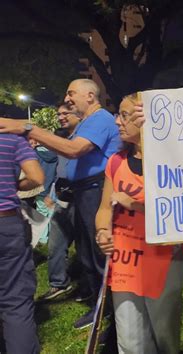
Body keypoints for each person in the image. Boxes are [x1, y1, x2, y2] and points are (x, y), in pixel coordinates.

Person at [0, 79, 120, 328]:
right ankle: (98, 299)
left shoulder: (100, 118)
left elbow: (73, 150)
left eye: (71, 93)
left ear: (90, 96)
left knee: (97, 250)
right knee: (86, 250)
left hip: (96, 191)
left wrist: (28, 128)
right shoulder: (87, 121)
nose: (67, 98)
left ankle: (108, 307)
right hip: (82, 192)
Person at [96, 93, 183, 353]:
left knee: (165, 335)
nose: (117, 121)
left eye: (124, 115)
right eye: (118, 114)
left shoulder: (174, 163)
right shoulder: (116, 162)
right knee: (129, 338)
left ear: (145, 118)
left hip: (164, 259)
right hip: (124, 259)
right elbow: (104, 208)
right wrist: (102, 232)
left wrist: (135, 204)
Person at [0, 132, 44, 353]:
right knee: (15, 301)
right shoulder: (12, 140)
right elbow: (36, 177)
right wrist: (13, 186)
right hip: (6, 222)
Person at [38, 104, 82, 301]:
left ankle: (89, 285)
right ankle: (58, 284)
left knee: (85, 246)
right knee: (56, 244)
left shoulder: (83, 139)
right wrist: (51, 193)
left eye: (66, 113)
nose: (61, 117)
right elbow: (57, 169)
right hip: (62, 197)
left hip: (82, 196)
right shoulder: (60, 140)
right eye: (59, 114)